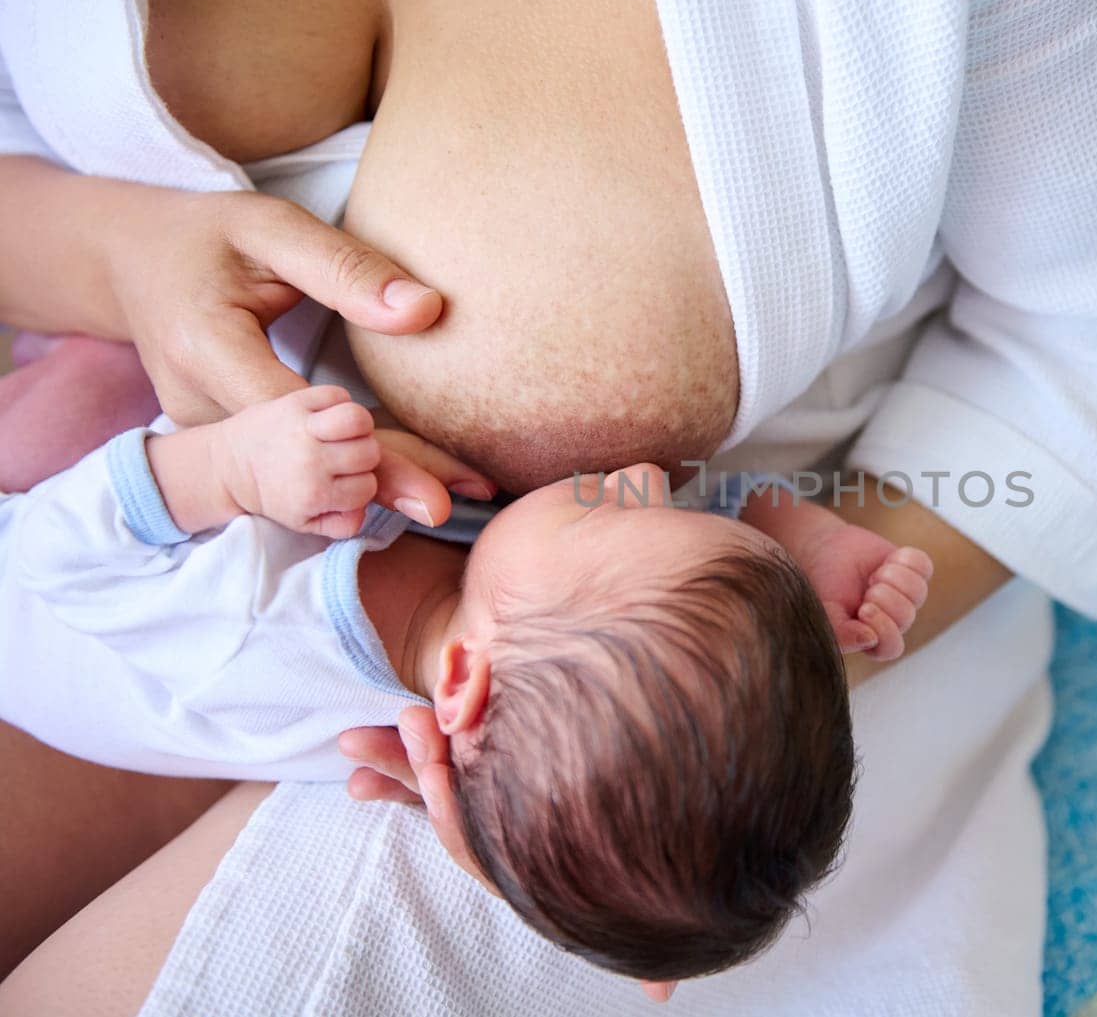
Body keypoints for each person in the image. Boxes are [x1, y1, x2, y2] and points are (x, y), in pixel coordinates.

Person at [0, 0, 1097, 1012]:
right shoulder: (602, 556)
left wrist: (773, 667)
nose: (643, 487)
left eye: (648, 508)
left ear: (467, 686)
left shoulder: (551, 646)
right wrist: (117, 255)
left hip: (660, 737)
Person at [1, 384, 929, 986]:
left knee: (76, 408)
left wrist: (227, 467)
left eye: (616, 512)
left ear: (462, 681)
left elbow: (59, 555)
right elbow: (672, 559)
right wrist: (794, 534)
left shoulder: (261, 625)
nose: (644, 476)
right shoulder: (523, 652)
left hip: (37, 570)